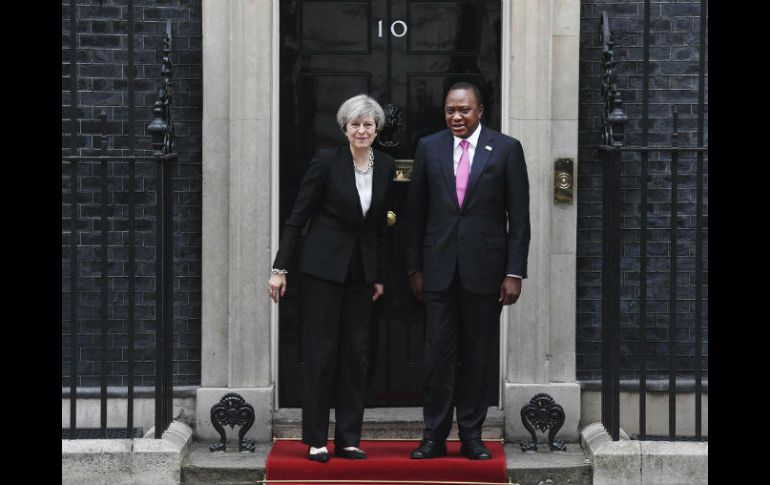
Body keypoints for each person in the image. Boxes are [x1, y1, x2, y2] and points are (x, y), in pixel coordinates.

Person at [406, 82, 530, 460]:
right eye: (450, 110)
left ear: (480, 111)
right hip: (439, 270)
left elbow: (519, 218)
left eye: (464, 110)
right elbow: (415, 214)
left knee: (477, 357)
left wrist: (514, 272)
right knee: (437, 358)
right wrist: (414, 267)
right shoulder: (429, 147)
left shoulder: (506, 149)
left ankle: (472, 436)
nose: (456, 117)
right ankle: (434, 436)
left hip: (486, 272)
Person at [268, 94, 395, 463]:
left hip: (361, 273)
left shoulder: (385, 166)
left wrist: (379, 275)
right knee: (322, 353)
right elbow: (298, 216)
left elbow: (378, 228)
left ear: (376, 130)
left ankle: (350, 438)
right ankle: (316, 439)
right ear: (344, 128)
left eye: (368, 124)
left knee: (357, 355)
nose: (361, 130)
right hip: (322, 270)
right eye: (355, 124)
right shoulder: (325, 162)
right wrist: (280, 269)